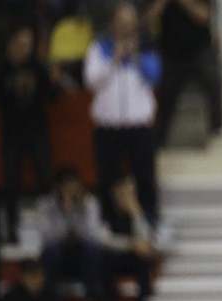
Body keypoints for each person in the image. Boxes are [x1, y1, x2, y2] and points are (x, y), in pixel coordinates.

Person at [84, 1, 161, 225]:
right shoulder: (99, 49)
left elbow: (154, 76)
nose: (127, 27)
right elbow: (91, 80)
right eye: (122, 22)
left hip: (139, 126)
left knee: (144, 176)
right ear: (113, 24)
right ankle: (110, 221)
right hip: (108, 127)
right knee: (107, 177)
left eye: (130, 22)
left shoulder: (147, 48)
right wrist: (114, 60)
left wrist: (135, 56)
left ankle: (149, 219)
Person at [0, 24, 55, 244]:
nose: (25, 49)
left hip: (37, 130)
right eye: (21, 44)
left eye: (29, 45)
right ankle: (11, 226)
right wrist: (13, 88)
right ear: (11, 44)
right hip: (12, 133)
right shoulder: (1, 70)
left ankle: (50, 225)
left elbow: (52, 96)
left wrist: (50, 78)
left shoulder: (37, 67)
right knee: (11, 182)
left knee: (44, 178)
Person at [147, 0, 222, 146]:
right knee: (165, 94)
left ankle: (217, 127)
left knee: (213, 79)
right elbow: (148, 20)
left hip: (199, 50)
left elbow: (205, 16)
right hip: (171, 53)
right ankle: (160, 138)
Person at [38, 167, 111, 301]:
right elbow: (48, 236)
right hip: (58, 255)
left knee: (92, 250)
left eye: (74, 186)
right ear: (58, 187)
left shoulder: (89, 202)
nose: (71, 191)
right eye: (66, 187)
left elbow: (92, 234)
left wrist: (78, 211)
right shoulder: (45, 205)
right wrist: (66, 211)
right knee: (51, 252)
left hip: (80, 254)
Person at [104, 176, 157, 301]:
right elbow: (103, 239)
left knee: (144, 258)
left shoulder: (139, 213)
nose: (125, 197)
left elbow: (146, 238)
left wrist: (136, 213)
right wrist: (130, 243)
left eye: (128, 193)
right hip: (112, 256)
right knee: (102, 259)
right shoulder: (106, 213)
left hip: (132, 257)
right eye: (121, 193)